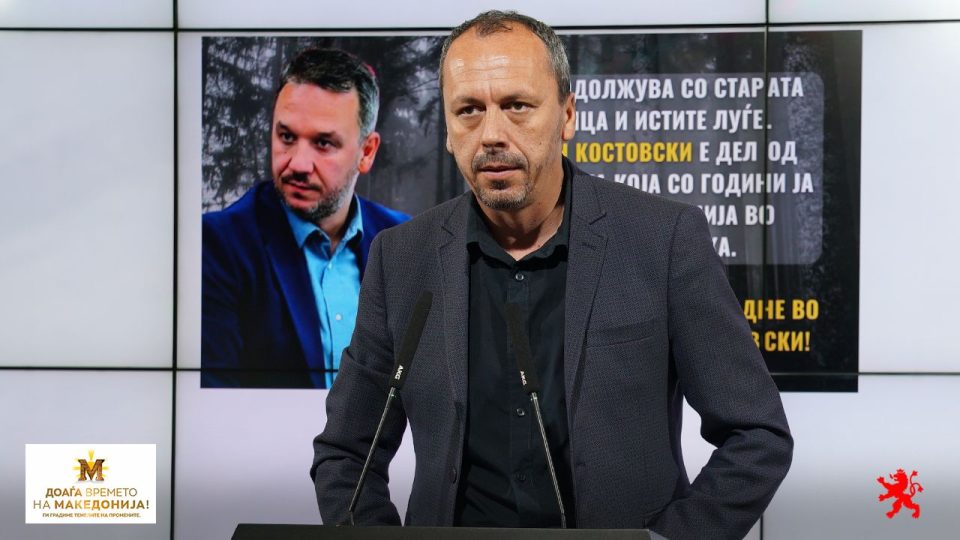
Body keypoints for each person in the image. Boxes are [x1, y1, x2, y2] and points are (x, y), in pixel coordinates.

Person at [311, 11, 792, 539]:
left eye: (517, 106)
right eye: (469, 110)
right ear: (448, 131)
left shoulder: (663, 240)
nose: (492, 134)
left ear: (567, 116)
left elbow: (757, 436)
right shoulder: (401, 258)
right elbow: (345, 451)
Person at [202, 48, 409, 389]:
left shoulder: (407, 242)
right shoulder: (220, 246)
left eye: (323, 143)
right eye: (286, 137)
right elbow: (216, 400)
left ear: (367, 152)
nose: (298, 164)